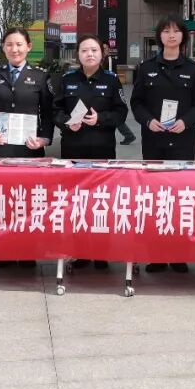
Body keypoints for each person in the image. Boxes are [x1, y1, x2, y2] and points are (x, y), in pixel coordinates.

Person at [129, 14, 195, 273]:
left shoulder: (193, 69)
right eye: (166, 31)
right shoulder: (146, 68)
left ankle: (178, 254)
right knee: (155, 198)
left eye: (176, 31)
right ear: (159, 36)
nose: (171, 35)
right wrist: (147, 120)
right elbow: (136, 102)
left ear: (183, 37)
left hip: (182, 142)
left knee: (180, 198)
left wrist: (186, 122)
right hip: (154, 141)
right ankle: (156, 255)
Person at [0, 27, 55, 269]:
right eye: (9, 44)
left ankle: (27, 250)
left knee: (29, 200)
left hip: (29, 150)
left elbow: (49, 114)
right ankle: (3, 251)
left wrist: (44, 139)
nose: (15, 49)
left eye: (19, 44)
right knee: (1, 199)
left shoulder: (40, 76)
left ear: (28, 46)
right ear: (3, 47)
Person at [54, 34, 129, 270]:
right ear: (78, 54)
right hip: (73, 150)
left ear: (102, 54)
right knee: (76, 202)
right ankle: (80, 252)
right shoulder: (67, 80)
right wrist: (67, 123)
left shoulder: (111, 80)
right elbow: (55, 110)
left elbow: (121, 113)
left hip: (102, 150)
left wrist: (100, 119)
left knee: (101, 201)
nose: (90, 54)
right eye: (85, 50)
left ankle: (101, 252)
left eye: (94, 50)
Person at [100, 41, 138, 145]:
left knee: (112, 114)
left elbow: (111, 75)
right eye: (102, 48)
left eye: (105, 49)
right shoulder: (100, 60)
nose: (103, 51)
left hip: (110, 91)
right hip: (102, 91)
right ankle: (128, 135)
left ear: (108, 50)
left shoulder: (109, 60)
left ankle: (128, 135)